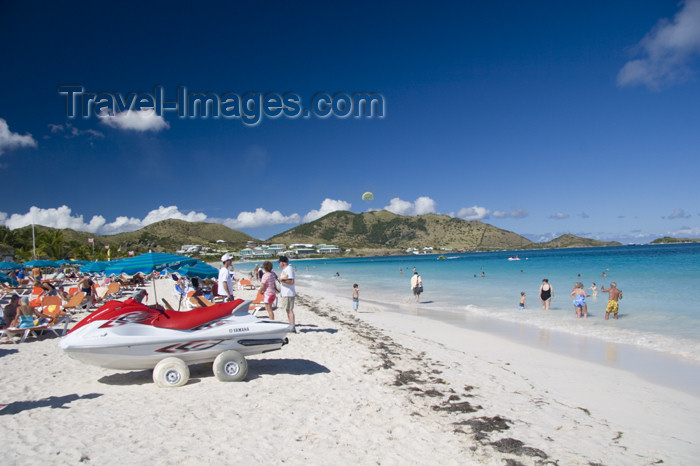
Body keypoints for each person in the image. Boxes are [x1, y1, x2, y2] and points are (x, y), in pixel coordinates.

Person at [278, 256, 296, 331]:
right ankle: (291, 325)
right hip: (286, 292)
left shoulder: (289, 269)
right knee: (287, 309)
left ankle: (292, 326)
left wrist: (281, 280)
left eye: (279, 262)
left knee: (289, 309)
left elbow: (291, 281)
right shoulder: (286, 269)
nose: (279, 264)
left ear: (282, 263)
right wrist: (282, 291)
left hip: (289, 293)